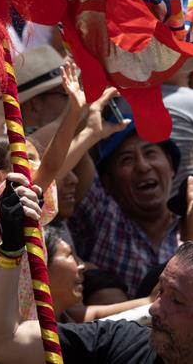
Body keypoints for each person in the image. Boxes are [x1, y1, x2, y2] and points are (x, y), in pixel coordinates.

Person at [0, 178, 193, 364]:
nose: (155, 309)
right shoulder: (122, 342)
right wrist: (11, 251)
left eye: (178, 301)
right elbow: (0, 341)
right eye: (161, 292)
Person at [67, 118, 182, 294]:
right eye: (127, 160)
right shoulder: (103, 218)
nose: (143, 167)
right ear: (108, 182)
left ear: (171, 166)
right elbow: (77, 149)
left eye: (150, 153)